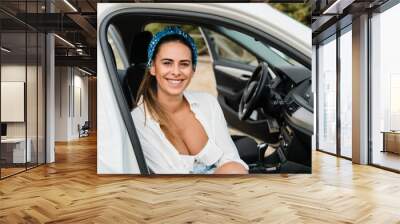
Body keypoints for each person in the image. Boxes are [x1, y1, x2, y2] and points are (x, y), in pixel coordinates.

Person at [132, 26, 248, 174]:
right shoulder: (139, 121)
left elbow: (233, 160)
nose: (176, 72)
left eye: (184, 64)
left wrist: (230, 170)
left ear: (193, 70)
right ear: (153, 67)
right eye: (167, 63)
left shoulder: (208, 103)